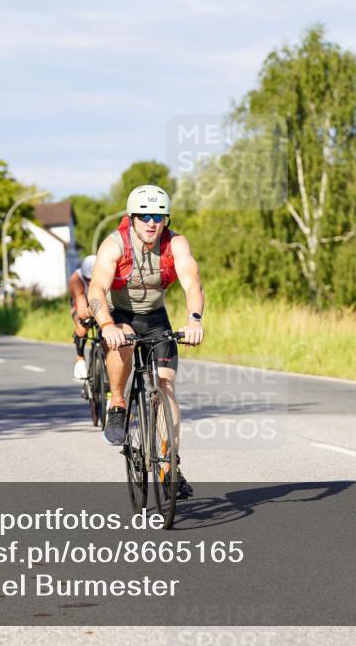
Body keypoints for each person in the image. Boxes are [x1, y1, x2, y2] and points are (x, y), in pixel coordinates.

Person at [88, 184, 204, 499]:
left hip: (156, 318)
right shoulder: (114, 245)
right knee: (121, 341)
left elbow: (193, 284)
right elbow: (96, 289)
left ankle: (169, 464)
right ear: (132, 218)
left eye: (158, 216)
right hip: (121, 315)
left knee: (165, 387)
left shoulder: (175, 244)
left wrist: (194, 320)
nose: (151, 222)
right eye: (144, 216)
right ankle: (118, 403)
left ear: (165, 219)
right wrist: (107, 324)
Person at [69, 255, 97, 380]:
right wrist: (89, 313)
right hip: (82, 302)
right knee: (82, 326)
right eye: (88, 280)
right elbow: (81, 310)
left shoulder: (107, 272)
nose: (90, 283)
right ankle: (80, 359)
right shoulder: (76, 279)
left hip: (99, 301)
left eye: (93, 279)